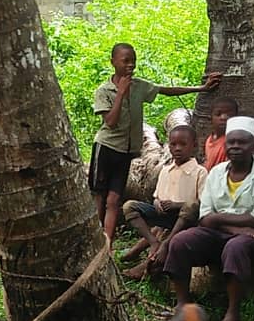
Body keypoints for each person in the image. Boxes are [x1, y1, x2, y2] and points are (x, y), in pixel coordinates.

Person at [89, 42, 221, 243]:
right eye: (125, 61)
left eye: (133, 61)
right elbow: (111, 122)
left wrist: (201, 88)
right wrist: (121, 93)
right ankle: (96, 241)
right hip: (106, 148)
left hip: (125, 151)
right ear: (113, 62)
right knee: (100, 196)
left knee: (114, 200)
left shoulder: (139, 86)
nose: (130, 65)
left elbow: (165, 90)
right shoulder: (104, 91)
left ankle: (107, 244)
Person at [162, 116, 254, 321]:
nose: (235, 146)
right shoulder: (216, 173)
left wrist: (218, 219)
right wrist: (234, 227)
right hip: (223, 232)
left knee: (236, 246)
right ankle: (183, 305)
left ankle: (232, 315)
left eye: (242, 142)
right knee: (180, 241)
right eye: (231, 142)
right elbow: (205, 216)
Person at [120, 124, 207, 276]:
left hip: (185, 219)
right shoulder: (166, 170)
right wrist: (157, 203)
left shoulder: (200, 172)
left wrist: (176, 205)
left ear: (194, 146)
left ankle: (153, 258)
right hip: (164, 216)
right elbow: (157, 196)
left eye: (183, 144)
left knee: (191, 205)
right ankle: (153, 241)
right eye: (173, 144)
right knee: (129, 206)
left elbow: (202, 203)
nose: (178, 148)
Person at [204, 96, 238, 169]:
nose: (223, 118)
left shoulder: (232, 142)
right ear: (210, 117)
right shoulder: (210, 139)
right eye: (218, 114)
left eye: (229, 115)